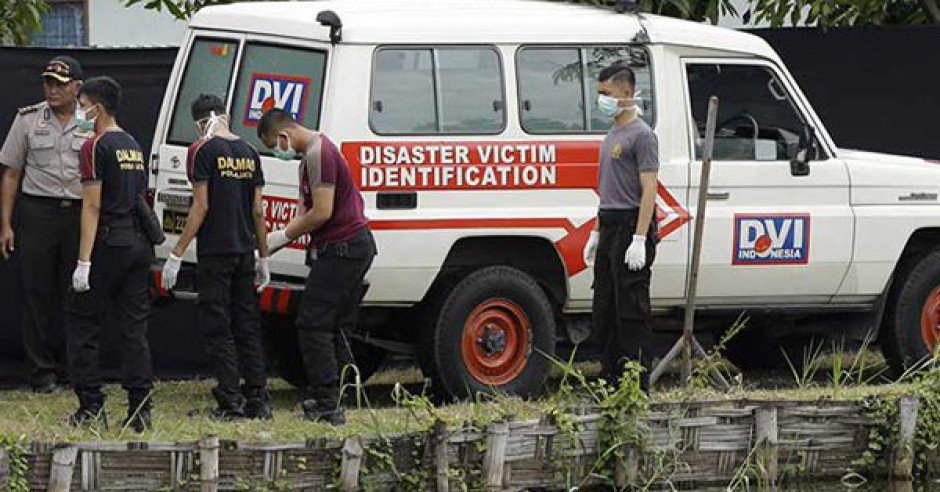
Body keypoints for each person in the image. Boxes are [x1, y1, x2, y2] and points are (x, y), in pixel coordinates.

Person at [258, 108, 375, 425]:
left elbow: (321, 212)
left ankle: (328, 404)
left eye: (273, 146)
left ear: (284, 136)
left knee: (313, 323)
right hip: (343, 247)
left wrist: (279, 235)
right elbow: (303, 211)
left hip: (346, 248)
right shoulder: (307, 158)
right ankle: (336, 397)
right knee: (335, 326)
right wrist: (269, 247)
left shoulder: (319, 153)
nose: (277, 152)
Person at [161, 94, 272, 420]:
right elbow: (257, 210)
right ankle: (258, 399)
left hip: (216, 252)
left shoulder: (202, 150)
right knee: (248, 326)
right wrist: (263, 257)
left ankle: (231, 400)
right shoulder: (250, 152)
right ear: (225, 115)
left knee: (218, 327)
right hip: (244, 251)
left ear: (200, 121)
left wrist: (176, 252)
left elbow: (201, 205)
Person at [67, 76, 154, 432]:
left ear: (96, 108)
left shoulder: (95, 145)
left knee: (83, 323)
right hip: (138, 246)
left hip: (108, 243)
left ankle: (90, 407)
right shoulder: (132, 143)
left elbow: (91, 206)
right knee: (134, 330)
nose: (78, 111)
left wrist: (83, 262)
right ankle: (140, 410)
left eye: (81, 103)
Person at [0, 56, 86, 393]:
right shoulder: (28, 120)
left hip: (81, 213)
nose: (52, 89)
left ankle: (75, 367)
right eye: (48, 82)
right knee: (36, 293)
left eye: (60, 84)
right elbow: (10, 173)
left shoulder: (91, 120)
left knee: (78, 292)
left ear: (76, 87)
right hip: (38, 212)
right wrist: (5, 224)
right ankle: (41, 372)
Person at [583, 65, 659, 392]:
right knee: (605, 307)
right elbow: (606, 190)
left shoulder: (643, 136)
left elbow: (650, 190)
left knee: (631, 310)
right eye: (600, 94)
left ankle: (635, 384)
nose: (602, 100)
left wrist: (640, 238)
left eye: (607, 94)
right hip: (610, 222)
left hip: (631, 224)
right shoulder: (611, 135)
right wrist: (596, 232)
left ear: (626, 94)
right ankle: (610, 380)